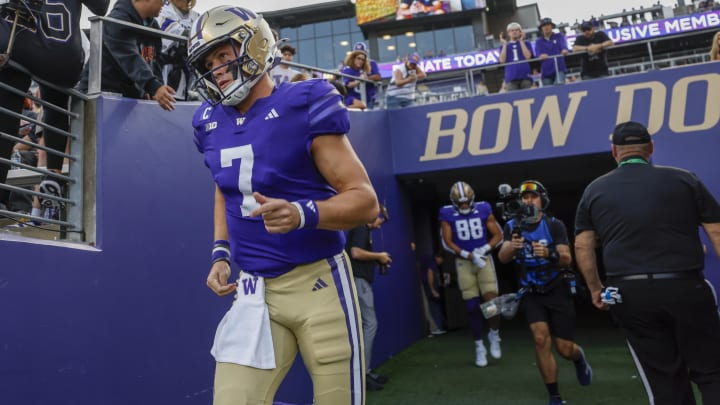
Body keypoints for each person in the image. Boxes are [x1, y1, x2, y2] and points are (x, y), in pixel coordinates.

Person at [187, 6, 379, 405]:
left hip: (319, 284)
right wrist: (220, 253)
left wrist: (302, 213)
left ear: (255, 45)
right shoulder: (208, 121)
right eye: (208, 62)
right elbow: (226, 187)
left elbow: (365, 202)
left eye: (223, 55)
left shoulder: (304, 100)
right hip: (255, 290)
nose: (217, 69)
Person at [574, 121, 720, 405]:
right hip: (686, 286)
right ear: (650, 148)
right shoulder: (684, 179)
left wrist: (595, 288)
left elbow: (582, 244)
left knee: (664, 379)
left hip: (630, 294)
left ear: (615, 151)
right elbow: (716, 231)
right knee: (712, 372)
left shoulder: (595, 189)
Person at [0, 0, 109, 212]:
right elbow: (101, 7)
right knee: (54, 105)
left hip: (23, 41)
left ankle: (2, 196)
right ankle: (54, 173)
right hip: (66, 54)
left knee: (7, 112)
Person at [497, 180, 592, 405]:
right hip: (531, 291)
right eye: (525, 197)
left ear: (542, 200)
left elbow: (567, 258)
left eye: (534, 196)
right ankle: (555, 396)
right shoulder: (512, 226)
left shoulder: (553, 224)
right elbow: (502, 257)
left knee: (565, 349)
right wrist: (513, 246)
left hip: (556, 288)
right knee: (540, 339)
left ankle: (579, 359)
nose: (529, 201)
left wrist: (549, 254)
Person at [439, 181, 503, 367]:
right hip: (464, 262)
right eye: (461, 203)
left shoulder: (483, 208)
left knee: (492, 301)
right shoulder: (446, 213)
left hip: (484, 260)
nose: (465, 206)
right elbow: (446, 241)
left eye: (467, 202)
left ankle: (494, 333)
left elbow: (498, 235)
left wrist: (483, 249)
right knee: (472, 306)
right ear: (454, 202)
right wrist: (467, 254)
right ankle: (479, 346)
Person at [78, 0, 176, 111]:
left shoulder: (152, 26)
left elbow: (153, 60)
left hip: (128, 100)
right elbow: (130, 58)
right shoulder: (117, 20)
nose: (164, 3)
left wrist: (153, 89)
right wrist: (153, 86)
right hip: (102, 96)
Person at [345, 204, 392, 391]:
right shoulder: (361, 227)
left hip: (360, 281)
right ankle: (362, 374)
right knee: (370, 324)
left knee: (365, 325)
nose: (378, 224)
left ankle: (365, 370)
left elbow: (378, 222)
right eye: (376, 220)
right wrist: (379, 256)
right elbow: (355, 252)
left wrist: (385, 216)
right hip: (359, 281)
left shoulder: (364, 226)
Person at [157, 0, 199, 100]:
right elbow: (170, 30)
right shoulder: (162, 8)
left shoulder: (196, 16)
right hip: (164, 70)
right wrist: (196, 33)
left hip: (189, 72)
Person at [499, 22, 534, 91]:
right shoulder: (504, 46)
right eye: (512, 30)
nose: (514, 32)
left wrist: (521, 41)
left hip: (525, 76)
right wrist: (505, 45)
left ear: (520, 32)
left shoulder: (526, 43)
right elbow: (502, 61)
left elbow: (528, 57)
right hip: (511, 78)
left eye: (516, 30)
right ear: (508, 33)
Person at [534, 18, 569, 86]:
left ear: (552, 26)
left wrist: (564, 50)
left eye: (548, 25)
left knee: (559, 87)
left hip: (559, 69)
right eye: (544, 25)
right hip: (546, 72)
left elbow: (564, 47)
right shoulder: (538, 41)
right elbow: (538, 54)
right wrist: (540, 56)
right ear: (541, 28)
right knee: (549, 93)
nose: (546, 27)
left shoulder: (559, 36)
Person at [419, 251, 447, 336]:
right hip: (426, 286)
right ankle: (434, 328)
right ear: (439, 258)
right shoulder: (432, 261)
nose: (440, 263)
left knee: (428, 306)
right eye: (441, 261)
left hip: (423, 284)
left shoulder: (426, 258)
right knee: (430, 306)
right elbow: (430, 273)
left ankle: (432, 329)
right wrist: (432, 289)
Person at [348, 42, 381, 109]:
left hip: (368, 97)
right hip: (355, 98)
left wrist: (367, 78)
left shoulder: (371, 63)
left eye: (362, 52)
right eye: (357, 53)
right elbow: (347, 83)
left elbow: (378, 77)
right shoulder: (350, 66)